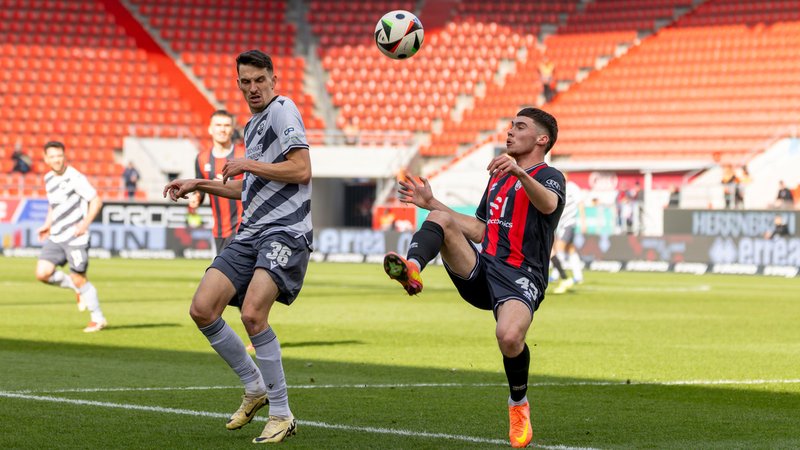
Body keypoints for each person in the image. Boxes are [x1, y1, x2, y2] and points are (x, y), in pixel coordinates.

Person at [383, 107, 565, 448]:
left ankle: (518, 405)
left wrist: (520, 174)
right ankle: (413, 269)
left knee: (509, 336)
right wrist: (431, 202)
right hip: (484, 269)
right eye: (511, 125)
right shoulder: (497, 175)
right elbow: (481, 230)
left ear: (542, 139)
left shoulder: (549, 176)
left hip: (522, 277)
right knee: (439, 216)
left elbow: (548, 205)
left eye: (520, 127)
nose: (510, 131)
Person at [163, 49, 312, 444]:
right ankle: (254, 385)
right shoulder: (253, 124)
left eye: (259, 80)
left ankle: (281, 413)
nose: (252, 88)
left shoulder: (283, 110)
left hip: (285, 232)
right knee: (202, 309)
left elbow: (301, 169)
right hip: (250, 232)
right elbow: (246, 188)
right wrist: (199, 184)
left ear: (273, 80)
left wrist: (247, 164)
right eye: (245, 82)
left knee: (252, 314)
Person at [34, 141, 107, 332]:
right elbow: (54, 204)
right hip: (56, 235)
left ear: (64, 156)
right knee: (42, 273)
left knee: (79, 277)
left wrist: (85, 224)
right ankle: (76, 289)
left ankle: (98, 318)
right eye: (52, 156)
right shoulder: (48, 178)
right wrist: (47, 224)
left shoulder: (75, 177)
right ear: (46, 159)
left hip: (76, 237)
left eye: (59, 156)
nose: (56, 160)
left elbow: (96, 200)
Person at [193, 109, 246, 253]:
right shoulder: (202, 158)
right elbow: (201, 189)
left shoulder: (244, 155)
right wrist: (197, 197)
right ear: (210, 129)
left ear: (232, 129)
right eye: (218, 125)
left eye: (227, 125)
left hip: (244, 228)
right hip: (220, 230)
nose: (222, 129)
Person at [551, 174, 585, 294]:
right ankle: (578, 276)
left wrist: (583, 221)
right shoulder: (559, 188)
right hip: (562, 224)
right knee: (570, 250)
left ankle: (558, 276)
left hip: (568, 223)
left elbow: (580, 203)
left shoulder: (572, 187)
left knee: (559, 248)